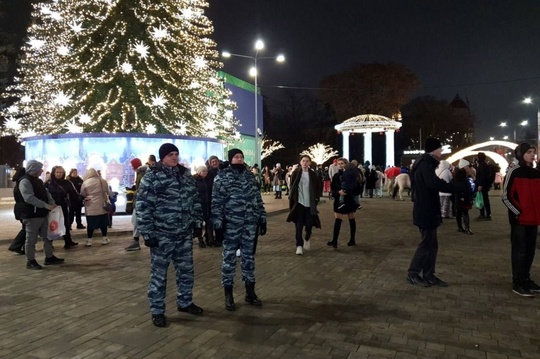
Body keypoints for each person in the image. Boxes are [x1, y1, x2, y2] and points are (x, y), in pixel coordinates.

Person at [136, 143, 204, 327]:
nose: (174, 157)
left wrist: (198, 223)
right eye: (170, 155)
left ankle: (185, 302)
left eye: (176, 154)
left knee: (186, 271)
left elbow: (195, 201)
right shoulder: (152, 177)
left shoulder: (185, 175)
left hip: (183, 234)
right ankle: (157, 310)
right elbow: (143, 206)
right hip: (162, 235)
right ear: (162, 157)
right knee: (159, 275)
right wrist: (147, 232)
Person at [212, 148, 267, 311]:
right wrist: (218, 224)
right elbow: (216, 202)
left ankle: (250, 292)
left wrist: (262, 217)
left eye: (241, 157)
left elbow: (257, 198)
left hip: (249, 223)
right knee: (229, 259)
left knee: (248, 258)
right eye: (236, 157)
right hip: (231, 224)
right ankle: (228, 295)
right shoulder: (221, 177)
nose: (239, 159)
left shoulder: (250, 176)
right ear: (230, 159)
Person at [407, 138, 455, 287]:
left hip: (427, 209)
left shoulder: (424, 163)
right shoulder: (425, 165)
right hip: (425, 210)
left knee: (432, 244)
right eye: (440, 149)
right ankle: (413, 273)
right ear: (434, 150)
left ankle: (428, 274)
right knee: (426, 243)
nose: (441, 151)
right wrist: (456, 187)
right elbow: (433, 183)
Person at [501, 143, 540, 297]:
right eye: (529, 152)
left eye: (533, 152)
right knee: (519, 252)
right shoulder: (514, 172)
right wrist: (518, 212)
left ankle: (526, 278)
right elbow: (506, 196)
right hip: (520, 221)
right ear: (521, 154)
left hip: (533, 220)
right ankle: (518, 282)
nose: (532, 155)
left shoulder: (536, 173)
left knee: (530, 252)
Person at [13, 160, 64, 269]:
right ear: (34, 169)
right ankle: (30, 261)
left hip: (42, 213)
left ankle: (49, 257)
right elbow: (29, 198)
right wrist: (45, 205)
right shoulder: (25, 181)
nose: (42, 170)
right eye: (40, 168)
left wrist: (51, 202)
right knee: (31, 239)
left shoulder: (37, 180)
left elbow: (46, 193)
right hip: (31, 215)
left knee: (48, 237)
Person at [286, 155, 321, 255]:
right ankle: (299, 245)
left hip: (310, 204)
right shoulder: (296, 173)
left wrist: (316, 198)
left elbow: (318, 187)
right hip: (299, 203)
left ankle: (307, 237)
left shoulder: (313, 175)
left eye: (307, 161)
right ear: (300, 162)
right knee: (299, 225)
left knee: (309, 224)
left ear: (310, 163)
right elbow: (292, 187)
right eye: (303, 161)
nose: (305, 163)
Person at [327, 157, 361, 248]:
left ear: (346, 164)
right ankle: (334, 240)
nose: (341, 165)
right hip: (339, 199)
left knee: (351, 219)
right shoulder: (336, 176)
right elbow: (333, 188)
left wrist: (349, 191)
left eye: (342, 163)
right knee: (338, 219)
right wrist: (338, 192)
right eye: (339, 163)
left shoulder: (352, 175)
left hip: (349, 199)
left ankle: (352, 239)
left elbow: (357, 188)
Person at [45, 165, 79, 249]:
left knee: (65, 223)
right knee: (52, 224)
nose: (59, 174)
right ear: (53, 173)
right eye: (57, 172)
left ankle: (68, 241)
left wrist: (81, 198)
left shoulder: (67, 182)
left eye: (61, 172)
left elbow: (74, 193)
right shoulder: (48, 183)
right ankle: (50, 243)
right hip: (52, 207)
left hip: (63, 205)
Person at [80, 168, 111, 247]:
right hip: (102, 205)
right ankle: (105, 238)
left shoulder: (86, 182)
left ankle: (89, 240)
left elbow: (82, 193)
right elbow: (107, 191)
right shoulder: (103, 181)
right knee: (103, 223)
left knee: (91, 224)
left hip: (90, 206)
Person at [125, 158, 148, 251]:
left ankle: (136, 241)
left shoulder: (141, 173)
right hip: (141, 200)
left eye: (132, 165)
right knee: (136, 221)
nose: (131, 167)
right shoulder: (141, 172)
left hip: (141, 201)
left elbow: (141, 188)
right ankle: (136, 241)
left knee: (136, 221)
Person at [205, 155, 224, 246]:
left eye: (216, 161)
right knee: (210, 220)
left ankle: (219, 238)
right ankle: (210, 238)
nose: (215, 163)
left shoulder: (222, 172)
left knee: (220, 219)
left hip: (221, 199)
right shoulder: (208, 173)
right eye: (213, 162)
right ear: (210, 163)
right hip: (210, 199)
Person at [9, 167, 27, 255]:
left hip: (19, 209)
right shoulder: (22, 184)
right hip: (23, 209)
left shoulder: (18, 183)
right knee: (26, 228)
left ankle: (21, 246)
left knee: (26, 228)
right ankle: (16, 246)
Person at [453, 159, 474, 235]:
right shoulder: (462, 177)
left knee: (460, 212)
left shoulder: (458, 175)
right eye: (467, 166)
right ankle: (466, 228)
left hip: (460, 196)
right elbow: (463, 187)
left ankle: (461, 227)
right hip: (462, 196)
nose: (468, 168)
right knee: (464, 212)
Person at [193, 165, 211, 248]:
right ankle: (200, 240)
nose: (205, 173)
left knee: (206, 221)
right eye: (203, 171)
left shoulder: (204, 180)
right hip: (198, 205)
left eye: (206, 171)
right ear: (199, 172)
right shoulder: (195, 181)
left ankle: (207, 238)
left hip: (205, 204)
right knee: (199, 222)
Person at [475, 152, 492, 221]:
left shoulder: (482, 165)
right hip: (485, 185)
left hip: (482, 185)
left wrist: (480, 185)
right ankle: (487, 214)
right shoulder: (484, 164)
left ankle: (484, 214)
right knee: (485, 199)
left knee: (483, 199)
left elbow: (482, 176)